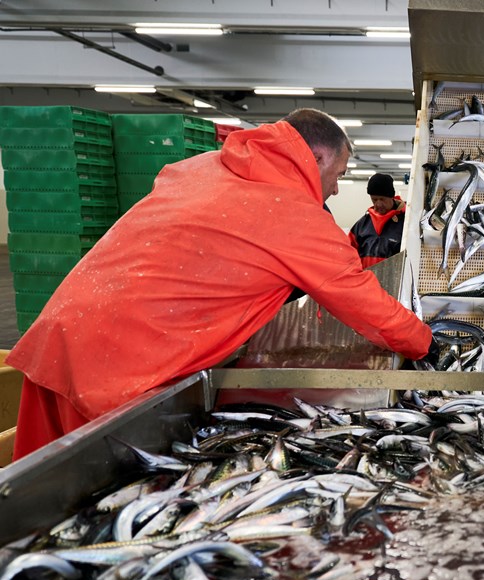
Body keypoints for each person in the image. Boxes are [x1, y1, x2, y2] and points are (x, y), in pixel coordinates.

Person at [6, 108, 439, 461]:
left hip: (58, 337)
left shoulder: (202, 168)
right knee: (80, 516)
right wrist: (425, 345)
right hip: (119, 371)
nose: (337, 185)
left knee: (26, 528)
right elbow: (360, 300)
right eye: (341, 172)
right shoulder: (291, 211)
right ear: (319, 157)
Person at [350, 173, 405, 269]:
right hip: (366, 281)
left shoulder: (405, 223)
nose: (378, 204)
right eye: (374, 199)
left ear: (391, 196)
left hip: (394, 281)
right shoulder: (362, 225)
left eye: (382, 199)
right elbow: (347, 253)